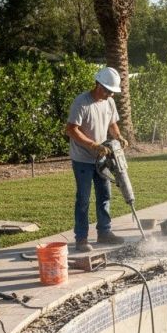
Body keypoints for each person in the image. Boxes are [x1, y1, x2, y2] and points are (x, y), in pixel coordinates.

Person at [66, 67, 128, 253]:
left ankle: (104, 233)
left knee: (104, 195)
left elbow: (112, 124)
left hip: (102, 158)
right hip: (82, 159)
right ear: (98, 85)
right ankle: (81, 238)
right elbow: (71, 129)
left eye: (112, 92)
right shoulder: (82, 102)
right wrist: (93, 145)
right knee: (83, 199)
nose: (111, 95)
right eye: (108, 91)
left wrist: (118, 137)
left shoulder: (109, 102)